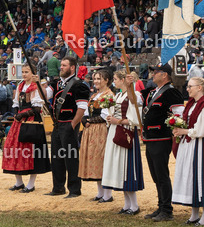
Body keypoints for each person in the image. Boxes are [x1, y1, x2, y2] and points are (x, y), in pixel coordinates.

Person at [141, 64, 186, 222]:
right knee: (155, 175)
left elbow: (179, 116)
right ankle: (161, 206)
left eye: (156, 72)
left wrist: (174, 130)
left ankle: (167, 209)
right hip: (150, 137)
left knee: (162, 174)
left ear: (165, 75)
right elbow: (135, 98)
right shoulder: (152, 92)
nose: (153, 74)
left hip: (161, 137)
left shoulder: (172, 92)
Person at [172, 77, 204, 226]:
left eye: (190, 86)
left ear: (199, 88)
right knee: (191, 178)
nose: (187, 89)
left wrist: (184, 131)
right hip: (189, 144)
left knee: (202, 177)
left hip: (200, 145)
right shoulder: (192, 104)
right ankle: (194, 214)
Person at [2, 63, 51, 192]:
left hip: (31, 120)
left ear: (33, 73)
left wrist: (22, 115)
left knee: (32, 151)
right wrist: (16, 114)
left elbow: (37, 108)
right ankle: (19, 182)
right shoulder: (20, 86)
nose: (24, 74)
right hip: (19, 121)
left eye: (27, 72)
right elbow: (16, 103)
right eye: (23, 72)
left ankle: (31, 184)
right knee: (13, 149)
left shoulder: (36, 87)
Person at [48, 55, 90, 198]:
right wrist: (37, 84)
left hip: (69, 123)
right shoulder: (56, 84)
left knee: (71, 158)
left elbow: (82, 108)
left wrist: (72, 125)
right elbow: (44, 96)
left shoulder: (79, 85)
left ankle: (74, 189)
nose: (61, 67)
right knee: (56, 157)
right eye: (61, 65)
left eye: (64, 65)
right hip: (57, 124)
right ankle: (58, 187)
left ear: (72, 68)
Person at [103, 71, 144, 215]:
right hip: (115, 131)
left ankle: (134, 205)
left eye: (115, 79)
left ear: (123, 80)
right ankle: (127, 204)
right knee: (119, 168)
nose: (114, 82)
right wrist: (111, 119)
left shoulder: (134, 95)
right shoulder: (118, 96)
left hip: (126, 133)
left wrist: (118, 121)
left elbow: (136, 118)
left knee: (127, 168)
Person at [79, 67, 113, 202]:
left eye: (99, 79)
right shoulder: (94, 95)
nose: (96, 81)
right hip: (92, 130)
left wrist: (89, 121)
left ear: (107, 80)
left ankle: (108, 194)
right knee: (96, 160)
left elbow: (106, 115)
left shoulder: (109, 95)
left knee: (102, 159)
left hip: (101, 130)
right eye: (95, 79)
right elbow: (87, 111)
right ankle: (100, 192)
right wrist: (84, 119)